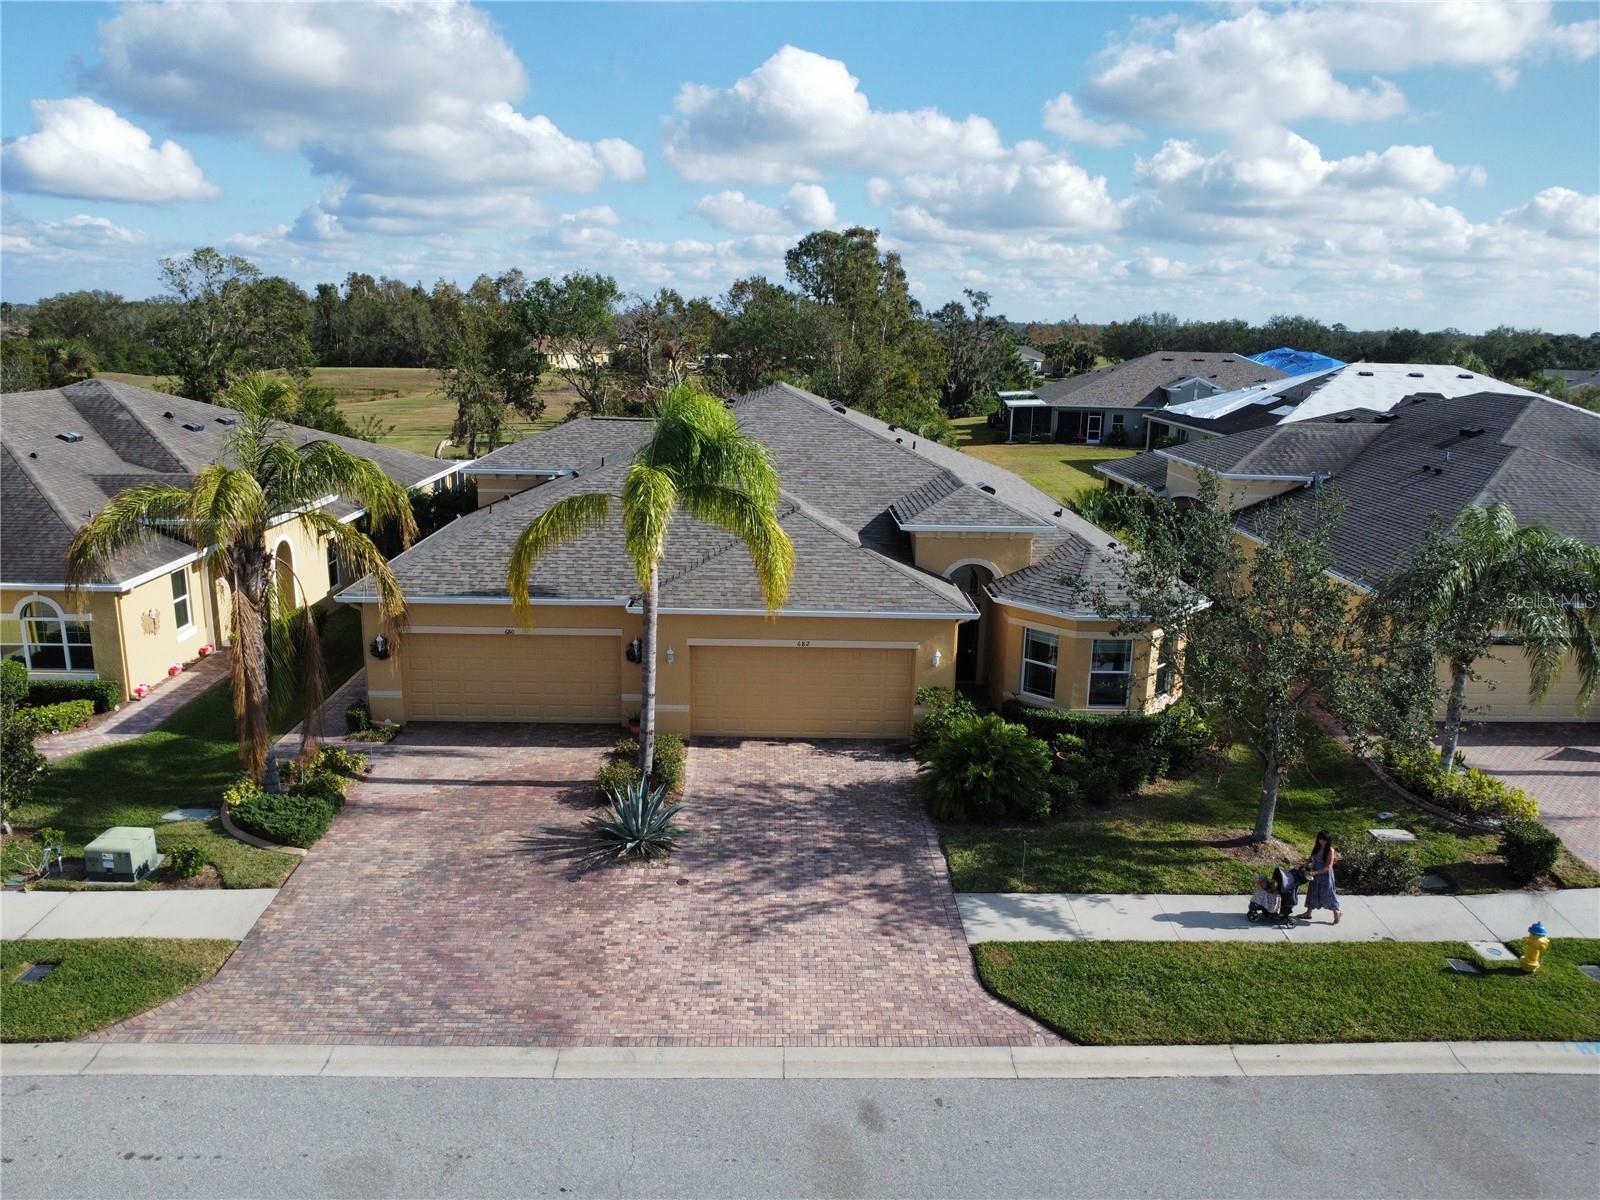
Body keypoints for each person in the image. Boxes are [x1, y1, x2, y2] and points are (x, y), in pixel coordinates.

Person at [1300, 830, 1341, 924]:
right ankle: (1308, 912)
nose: (1321, 841)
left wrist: (1316, 872)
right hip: (1315, 875)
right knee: (1312, 893)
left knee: (1328, 895)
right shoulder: (1317, 848)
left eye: (1324, 840)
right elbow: (1312, 860)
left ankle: (1337, 912)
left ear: (1328, 840)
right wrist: (1307, 865)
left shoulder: (1330, 850)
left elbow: (1328, 867)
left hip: (1325, 876)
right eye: (1320, 839)